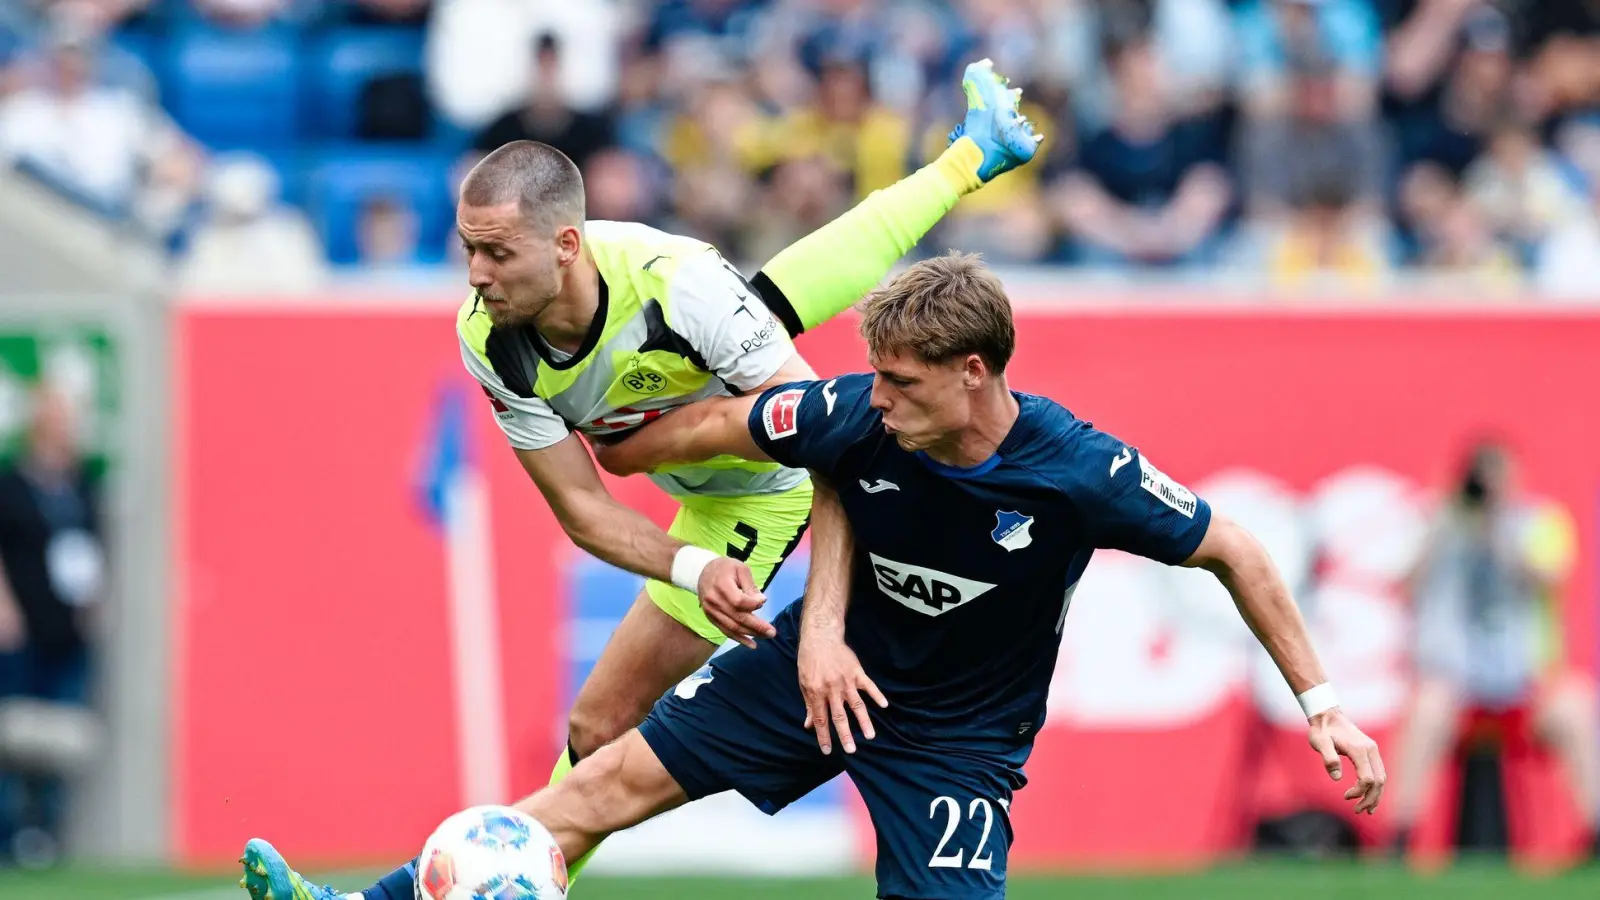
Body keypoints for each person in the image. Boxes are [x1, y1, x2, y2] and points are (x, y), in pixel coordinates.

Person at [239, 59, 1042, 900]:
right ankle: (971, 154)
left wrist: (662, 453)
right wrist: (693, 566)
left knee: (601, 725)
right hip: (706, 489)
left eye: (496, 253)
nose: (475, 274)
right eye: (468, 248)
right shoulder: (492, 337)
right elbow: (583, 507)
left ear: (566, 244)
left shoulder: (677, 286)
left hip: (766, 492)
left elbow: (827, 445)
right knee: (775, 296)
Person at [364, 253, 1385, 899]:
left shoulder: (1079, 473)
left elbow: (1235, 550)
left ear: (973, 374)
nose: (877, 400)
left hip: (957, 738)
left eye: (901, 382)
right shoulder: (856, 413)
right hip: (822, 675)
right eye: (877, 377)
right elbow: (733, 422)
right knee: (600, 782)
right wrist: (620, 448)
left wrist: (1323, 705)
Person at [1389, 439, 1599, 857]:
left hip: (1525, 684)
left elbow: (1546, 576)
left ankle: (1595, 830)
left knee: (1577, 707)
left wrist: (1496, 526)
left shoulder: (1539, 522)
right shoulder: (1444, 524)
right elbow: (1405, 584)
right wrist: (1441, 524)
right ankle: (1400, 836)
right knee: (1426, 711)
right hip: (1459, 685)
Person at [0, 381, 104, 868]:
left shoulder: (82, 483)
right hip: (22, 627)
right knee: (14, 735)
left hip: (69, 629)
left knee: (62, 736)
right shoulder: (12, 485)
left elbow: (92, 548)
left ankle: (47, 834)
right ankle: (11, 833)